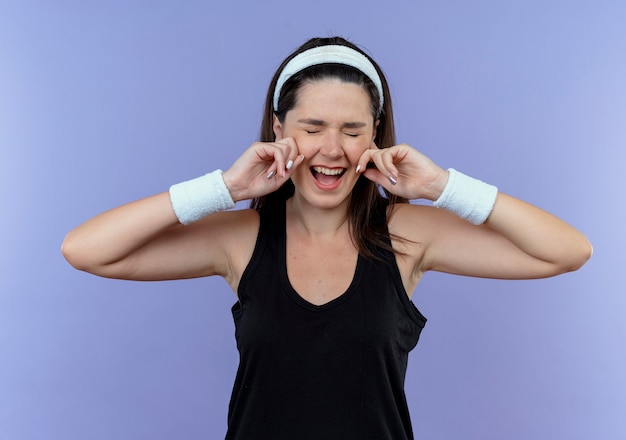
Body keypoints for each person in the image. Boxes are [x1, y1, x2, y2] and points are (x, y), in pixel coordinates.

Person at [62, 36, 592, 439]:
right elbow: (85, 250)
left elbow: (568, 251)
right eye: (312, 128)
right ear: (278, 128)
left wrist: (441, 185)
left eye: (353, 130)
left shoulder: (406, 234)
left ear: (377, 132)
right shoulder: (241, 239)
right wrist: (222, 188)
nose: (332, 149)